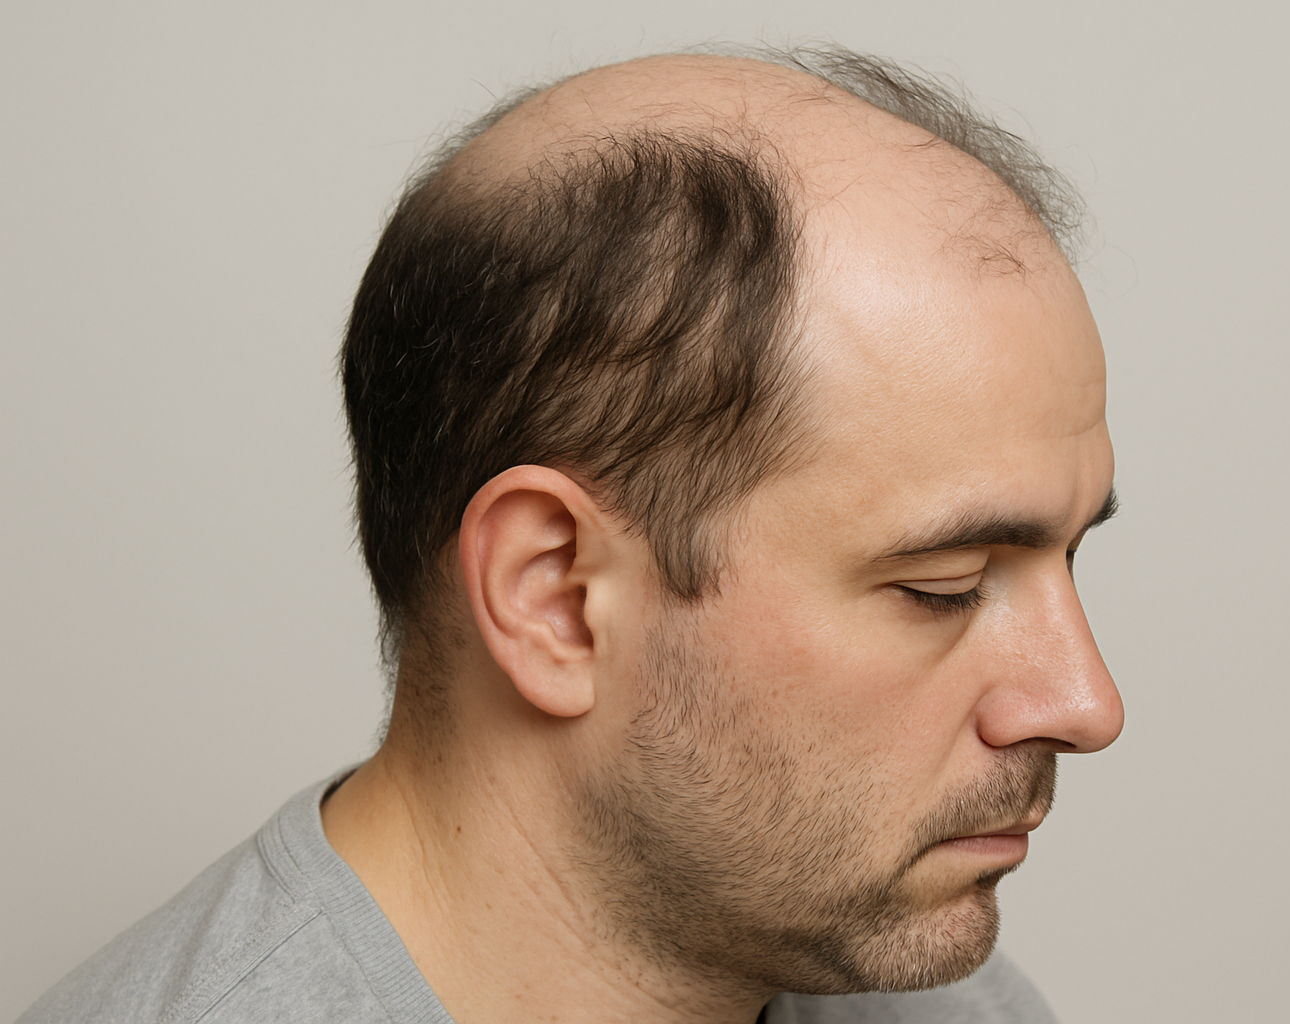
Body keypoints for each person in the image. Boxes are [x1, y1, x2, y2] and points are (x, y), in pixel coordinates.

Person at [21, 44, 1123, 1024]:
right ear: (553, 594)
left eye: (1068, 558)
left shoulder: (911, 978)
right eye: (945, 582)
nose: (1086, 702)